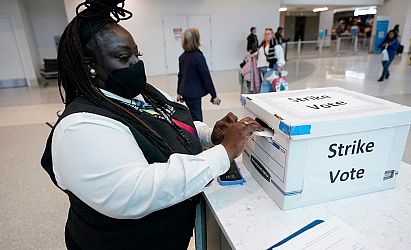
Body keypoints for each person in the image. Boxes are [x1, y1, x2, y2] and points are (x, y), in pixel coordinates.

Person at [40, 1, 263, 249]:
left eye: (138, 54)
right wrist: (223, 153)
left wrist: (210, 135)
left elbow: (170, 121)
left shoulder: (143, 92)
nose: (136, 63)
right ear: (89, 65)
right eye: (124, 57)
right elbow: (137, 190)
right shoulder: (81, 127)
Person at [177, 28, 221, 122]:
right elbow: (206, 77)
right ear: (196, 40)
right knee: (197, 118)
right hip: (194, 94)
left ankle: (192, 132)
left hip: (185, 92)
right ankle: (196, 136)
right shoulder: (198, 57)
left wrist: (179, 92)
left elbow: (180, 76)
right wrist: (214, 95)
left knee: (192, 115)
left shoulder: (182, 57)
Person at [257, 28, 285, 93]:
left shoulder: (276, 45)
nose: (266, 35)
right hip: (262, 68)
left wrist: (280, 66)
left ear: (272, 35)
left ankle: (262, 100)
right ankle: (271, 99)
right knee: (270, 85)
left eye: (268, 34)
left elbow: (280, 56)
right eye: (265, 34)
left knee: (264, 85)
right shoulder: (262, 45)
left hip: (270, 68)